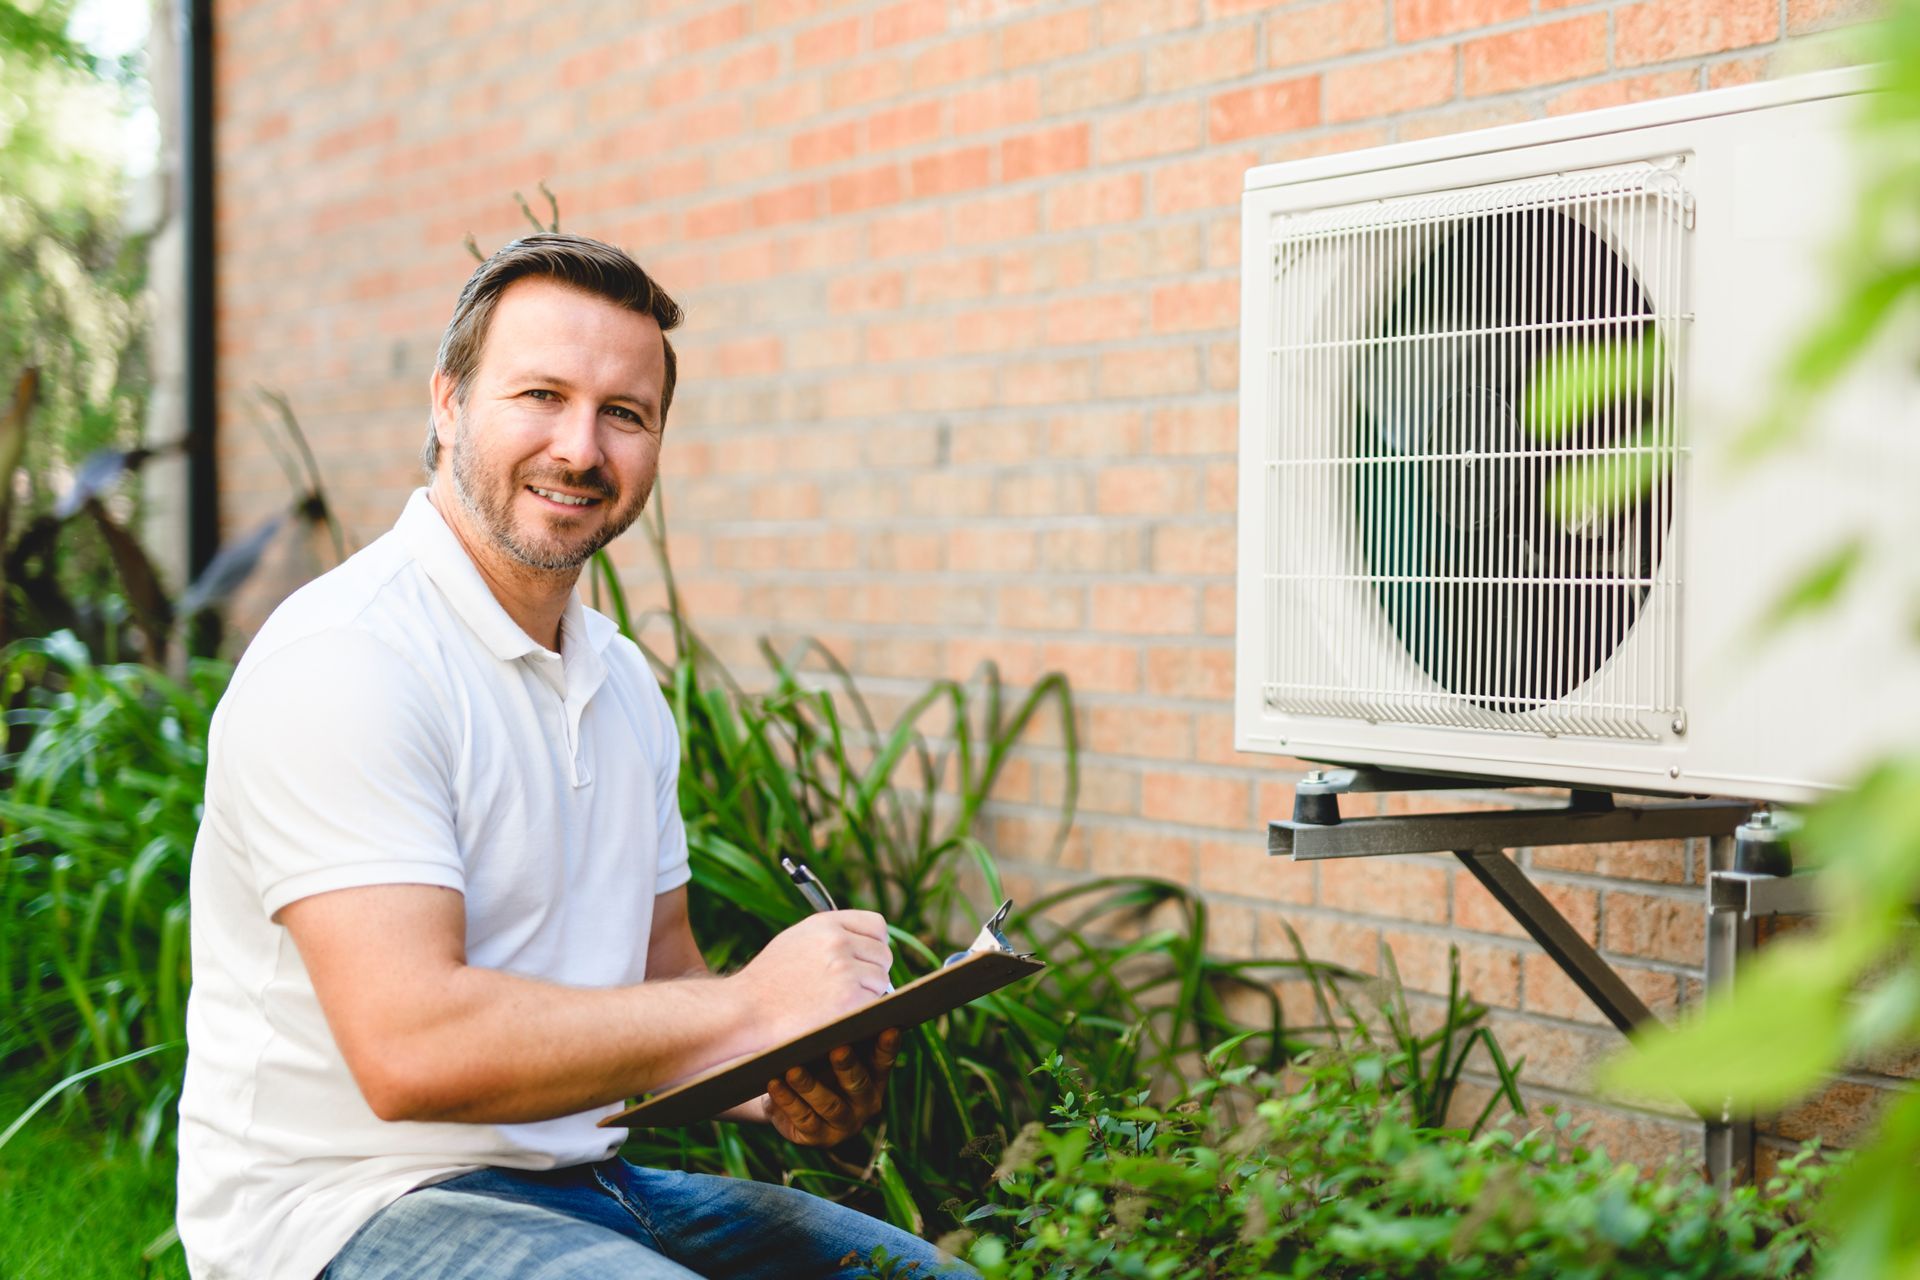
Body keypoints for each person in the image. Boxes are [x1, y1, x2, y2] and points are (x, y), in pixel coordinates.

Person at [176, 233, 967, 1280]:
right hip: (341, 1209)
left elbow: (661, 976)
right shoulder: (349, 657)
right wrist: (753, 1001)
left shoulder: (624, 683)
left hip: (581, 1185)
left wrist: (777, 1072)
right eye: (540, 395)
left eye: (624, 414)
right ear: (448, 404)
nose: (581, 448)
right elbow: (412, 1049)